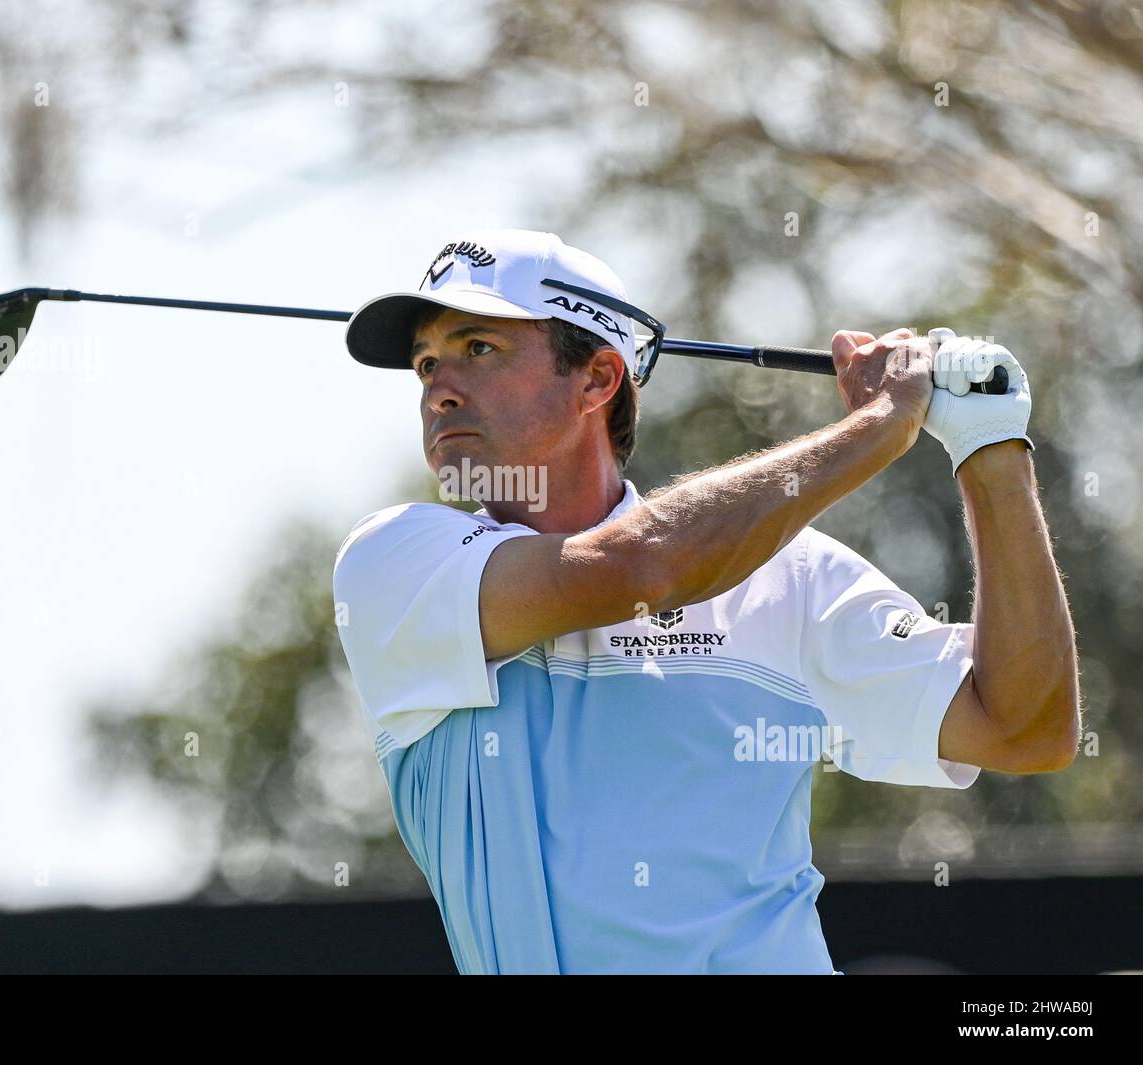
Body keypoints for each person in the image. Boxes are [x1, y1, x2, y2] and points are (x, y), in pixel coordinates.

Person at [332, 228, 1080, 974]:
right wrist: (879, 425)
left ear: (597, 379)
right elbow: (638, 568)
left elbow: (1025, 729)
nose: (439, 387)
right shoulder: (394, 564)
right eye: (427, 362)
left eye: (478, 349)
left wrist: (991, 450)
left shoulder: (789, 576)